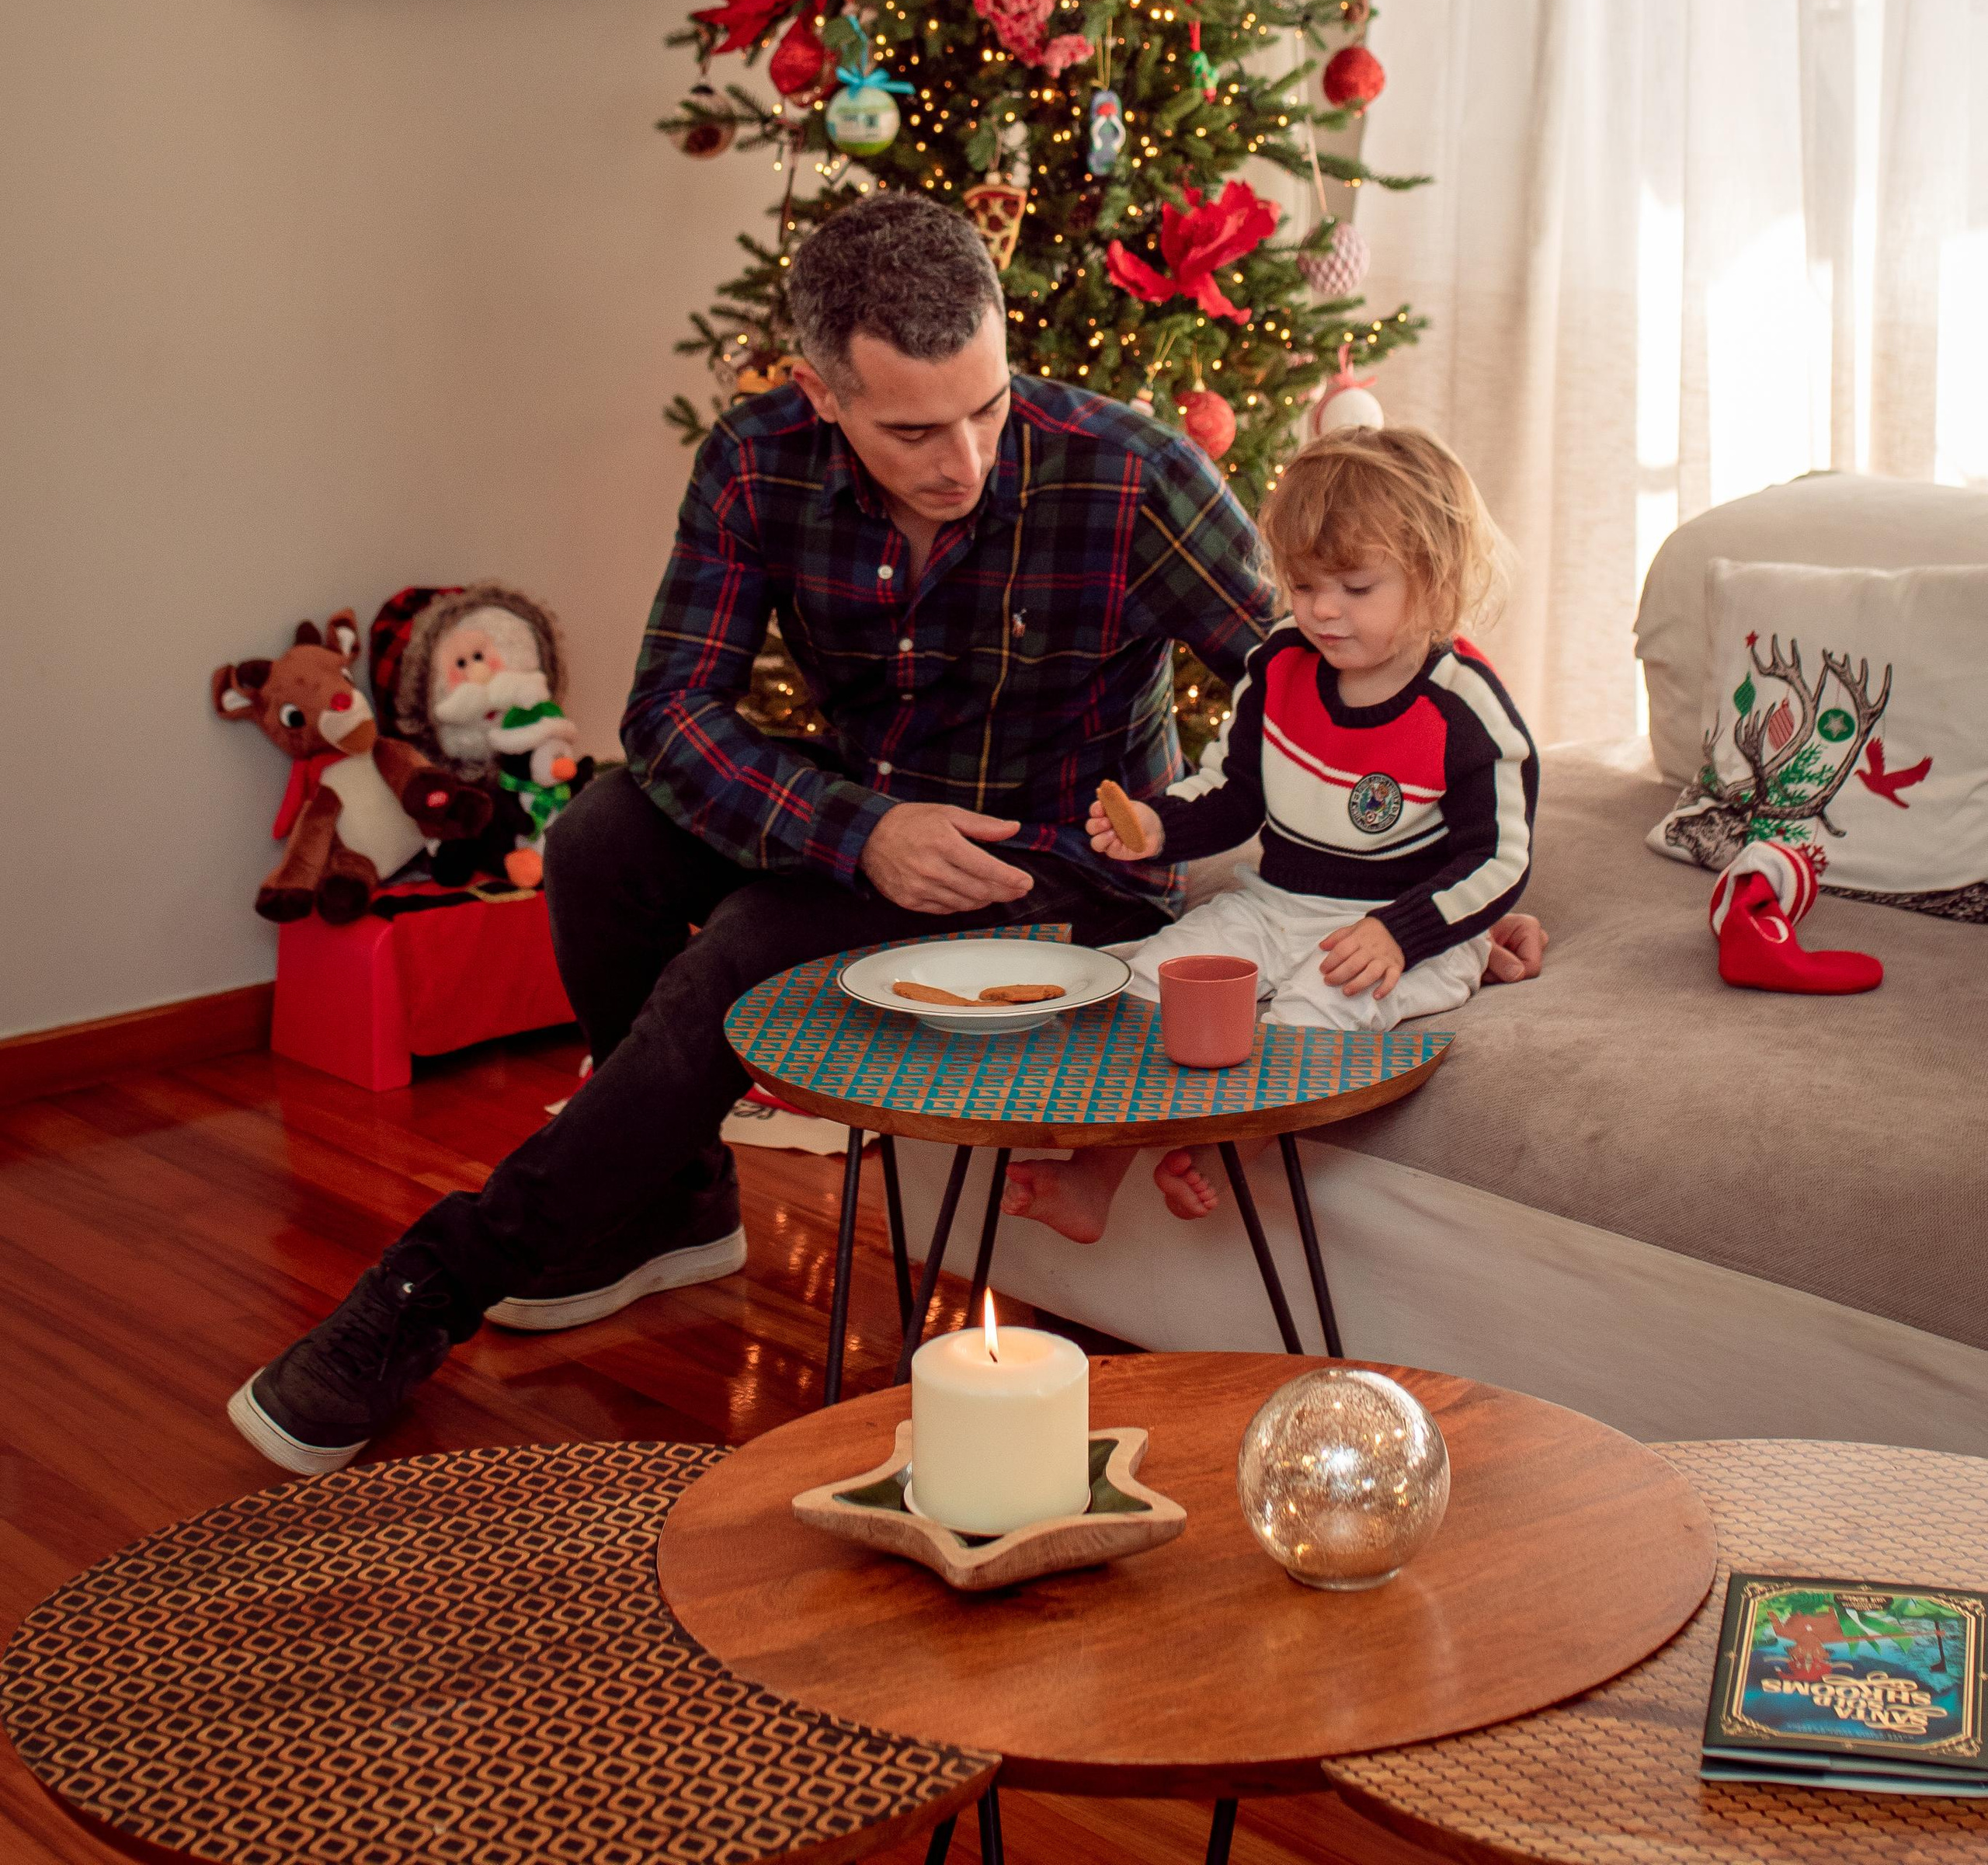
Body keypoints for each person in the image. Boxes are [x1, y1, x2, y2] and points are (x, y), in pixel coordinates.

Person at [228, 193, 1289, 1473]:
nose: (963, 461)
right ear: (820, 392)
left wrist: (1449, 864)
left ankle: (432, 1287)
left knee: (743, 949)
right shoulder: (756, 458)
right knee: (600, 834)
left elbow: (1322, 686)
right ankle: (675, 1200)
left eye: (987, 407)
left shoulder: (1131, 469)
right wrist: (864, 830)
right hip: (874, 813)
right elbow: (670, 713)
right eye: (913, 430)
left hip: (1066, 864)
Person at [1002, 425, 1541, 1244]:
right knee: (1151, 984)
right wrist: (1158, 824)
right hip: (1277, 901)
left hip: (1398, 932)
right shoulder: (1280, 664)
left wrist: (1402, 932)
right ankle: (1092, 1178)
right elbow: (1234, 791)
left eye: (1355, 587)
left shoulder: (1466, 709)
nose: (1321, 609)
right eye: (1304, 583)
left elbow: (1497, 858)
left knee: (1312, 1012)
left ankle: (1223, 1158)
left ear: (1435, 579)